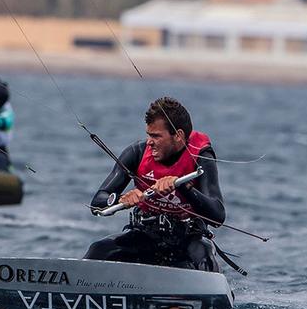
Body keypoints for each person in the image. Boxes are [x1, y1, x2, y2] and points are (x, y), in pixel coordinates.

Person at [85, 96, 225, 271]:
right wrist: (121, 199)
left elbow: (218, 215)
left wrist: (183, 186)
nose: (149, 141)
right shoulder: (136, 153)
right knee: (98, 250)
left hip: (187, 238)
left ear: (178, 136)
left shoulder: (202, 157)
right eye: (148, 135)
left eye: (156, 136)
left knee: (205, 260)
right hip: (145, 235)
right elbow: (97, 202)